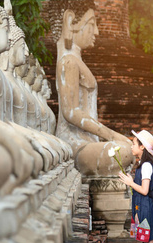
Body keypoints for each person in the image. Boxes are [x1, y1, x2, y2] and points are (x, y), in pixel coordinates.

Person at [51, 0, 134, 176]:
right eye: (91, 24)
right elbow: (71, 112)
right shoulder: (68, 62)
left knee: (126, 150)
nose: (96, 31)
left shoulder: (75, 62)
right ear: (71, 22)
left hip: (87, 142)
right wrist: (111, 135)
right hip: (75, 144)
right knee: (123, 152)